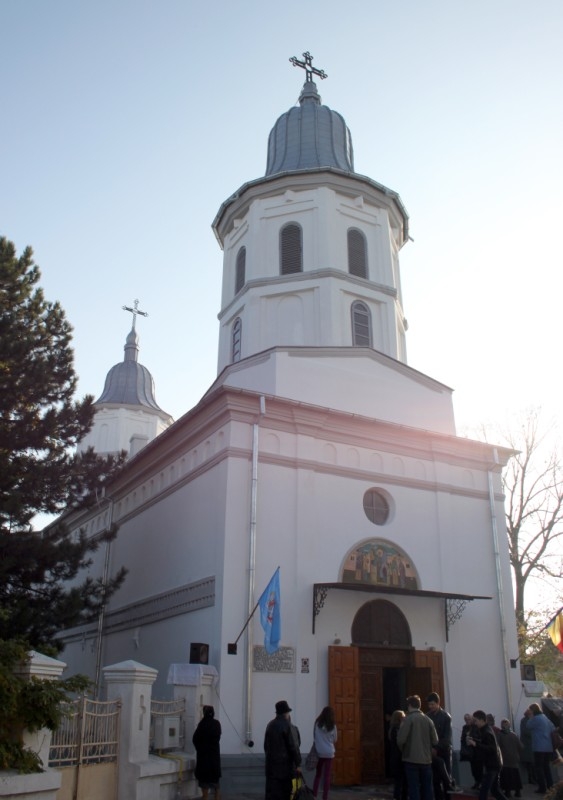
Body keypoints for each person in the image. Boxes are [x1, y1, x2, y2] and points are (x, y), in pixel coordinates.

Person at [397, 695, 438, 800]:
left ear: (409, 705)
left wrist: (403, 750)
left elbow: (401, 740)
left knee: (414, 788)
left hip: (411, 759)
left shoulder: (408, 719)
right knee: (427, 788)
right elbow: (435, 740)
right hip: (426, 760)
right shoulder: (428, 720)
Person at [264, 700, 302, 800]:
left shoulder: (270, 725)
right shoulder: (288, 726)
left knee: (272, 794)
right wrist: (298, 763)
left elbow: (266, 746)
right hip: (285, 768)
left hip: (271, 767)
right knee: (285, 794)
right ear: (286, 713)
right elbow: (294, 747)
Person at [467, 709, 508, 800]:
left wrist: (475, 744)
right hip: (494, 764)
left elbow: (491, 748)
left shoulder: (486, 732)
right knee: (495, 790)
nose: (475, 723)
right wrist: (474, 741)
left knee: (484, 791)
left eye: (476, 721)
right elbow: (485, 743)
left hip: (492, 765)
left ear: (482, 720)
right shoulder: (485, 729)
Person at [426, 692, 455, 800]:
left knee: (446, 779)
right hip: (433, 752)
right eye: (429, 704)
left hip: (444, 751)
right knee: (435, 780)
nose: (431, 706)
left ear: (438, 703)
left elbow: (447, 737)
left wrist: (436, 747)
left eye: (433, 704)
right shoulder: (427, 716)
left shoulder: (446, 717)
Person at [192, 705, 222, 800]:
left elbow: (195, 739)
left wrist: (200, 748)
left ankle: (205, 797)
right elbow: (218, 737)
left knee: (205, 785)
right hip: (214, 758)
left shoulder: (202, 724)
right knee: (216, 785)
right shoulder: (217, 724)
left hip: (204, 758)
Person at [526, 702, 555, 794]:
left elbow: (528, 726)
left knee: (539, 768)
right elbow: (553, 728)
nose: (529, 711)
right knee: (546, 767)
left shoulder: (535, 719)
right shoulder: (545, 717)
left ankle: (542, 787)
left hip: (539, 747)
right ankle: (550, 786)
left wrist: (530, 717)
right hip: (548, 747)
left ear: (533, 710)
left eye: (530, 710)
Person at [312, 706, 337, 800]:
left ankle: (314, 795)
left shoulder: (317, 724)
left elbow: (314, 736)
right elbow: (335, 739)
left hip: (319, 752)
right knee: (327, 776)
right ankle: (325, 797)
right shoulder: (333, 725)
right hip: (329, 753)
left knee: (318, 774)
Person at [497, 718, 523, 798]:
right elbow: (521, 746)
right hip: (514, 758)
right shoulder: (514, 735)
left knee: (506, 776)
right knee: (515, 775)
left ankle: (508, 792)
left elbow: (497, 746)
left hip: (505, 759)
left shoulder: (499, 735)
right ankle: (518, 791)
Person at [461, 713, 483, 790]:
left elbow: (480, 738)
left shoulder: (476, 727)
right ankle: (476, 782)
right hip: (470, 752)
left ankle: (480, 783)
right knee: (473, 769)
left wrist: (472, 738)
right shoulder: (464, 727)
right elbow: (462, 739)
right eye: (465, 719)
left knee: (479, 768)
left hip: (477, 751)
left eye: (468, 719)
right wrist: (465, 739)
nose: (467, 721)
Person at [389, 709, 406, 800]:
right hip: (399, 758)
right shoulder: (397, 729)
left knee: (399, 780)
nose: (404, 718)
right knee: (400, 780)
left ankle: (398, 796)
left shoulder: (393, 728)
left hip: (396, 758)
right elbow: (399, 742)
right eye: (403, 716)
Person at [520, 708, 536, 784]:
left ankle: (533, 778)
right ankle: (531, 778)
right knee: (530, 763)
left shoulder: (528, 720)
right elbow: (526, 731)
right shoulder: (524, 721)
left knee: (532, 763)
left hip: (530, 745)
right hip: (527, 745)